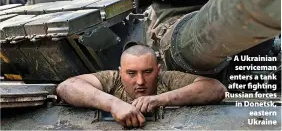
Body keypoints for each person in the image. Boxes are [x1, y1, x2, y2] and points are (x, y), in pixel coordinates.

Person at [56, 45, 227, 128]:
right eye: (131, 73)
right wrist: (114, 104)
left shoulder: (167, 79)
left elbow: (216, 88)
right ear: (120, 72)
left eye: (147, 72)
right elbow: (68, 86)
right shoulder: (113, 79)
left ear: (158, 70)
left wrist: (160, 99)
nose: (140, 81)